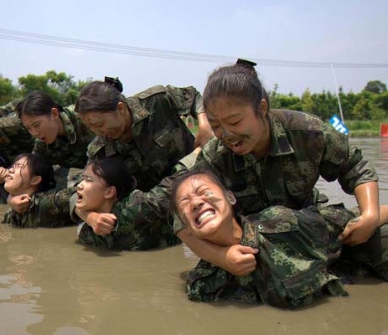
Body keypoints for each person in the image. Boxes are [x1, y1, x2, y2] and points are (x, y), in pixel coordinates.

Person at [175, 61, 382, 277]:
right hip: (255, 245)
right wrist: (222, 258)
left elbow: (355, 167)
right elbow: (179, 219)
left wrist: (370, 214)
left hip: (312, 226)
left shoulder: (307, 132)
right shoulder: (213, 157)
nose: (226, 134)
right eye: (215, 125)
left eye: (234, 122)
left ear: (262, 109)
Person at [170, 168, 388, 308]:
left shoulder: (280, 223)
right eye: (185, 204)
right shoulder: (203, 285)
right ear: (186, 225)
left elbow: (356, 221)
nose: (196, 203)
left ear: (230, 197)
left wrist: (373, 216)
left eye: (203, 192)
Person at [75, 79, 213, 191]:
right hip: (159, 207)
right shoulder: (100, 150)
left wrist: (204, 124)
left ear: (121, 108)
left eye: (99, 124)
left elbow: (192, 96)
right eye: (90, 128)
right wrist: (88, 214)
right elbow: (84, 186)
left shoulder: (157, 101)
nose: (98, 132)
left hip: (202, 179)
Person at [75, 156, 179, 250]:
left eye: (88, 180)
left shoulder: (135, 207)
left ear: (109, 192)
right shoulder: (88, 234)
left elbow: (170, 189)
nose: (79, 185)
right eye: (82, 179)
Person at [17, 90, 96, 170]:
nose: (34, 133)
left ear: (54, 114)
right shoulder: (42, 143)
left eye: (36, 125)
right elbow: (33, 167)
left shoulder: (86, 119)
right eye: (28, 128)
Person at [2, 153, 74, 228]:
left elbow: (81, 193)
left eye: (19, 166)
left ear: (35, 180)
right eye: (12, 166)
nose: (10, 170)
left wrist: (10, 199)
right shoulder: (11, 213)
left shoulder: (50, 202)